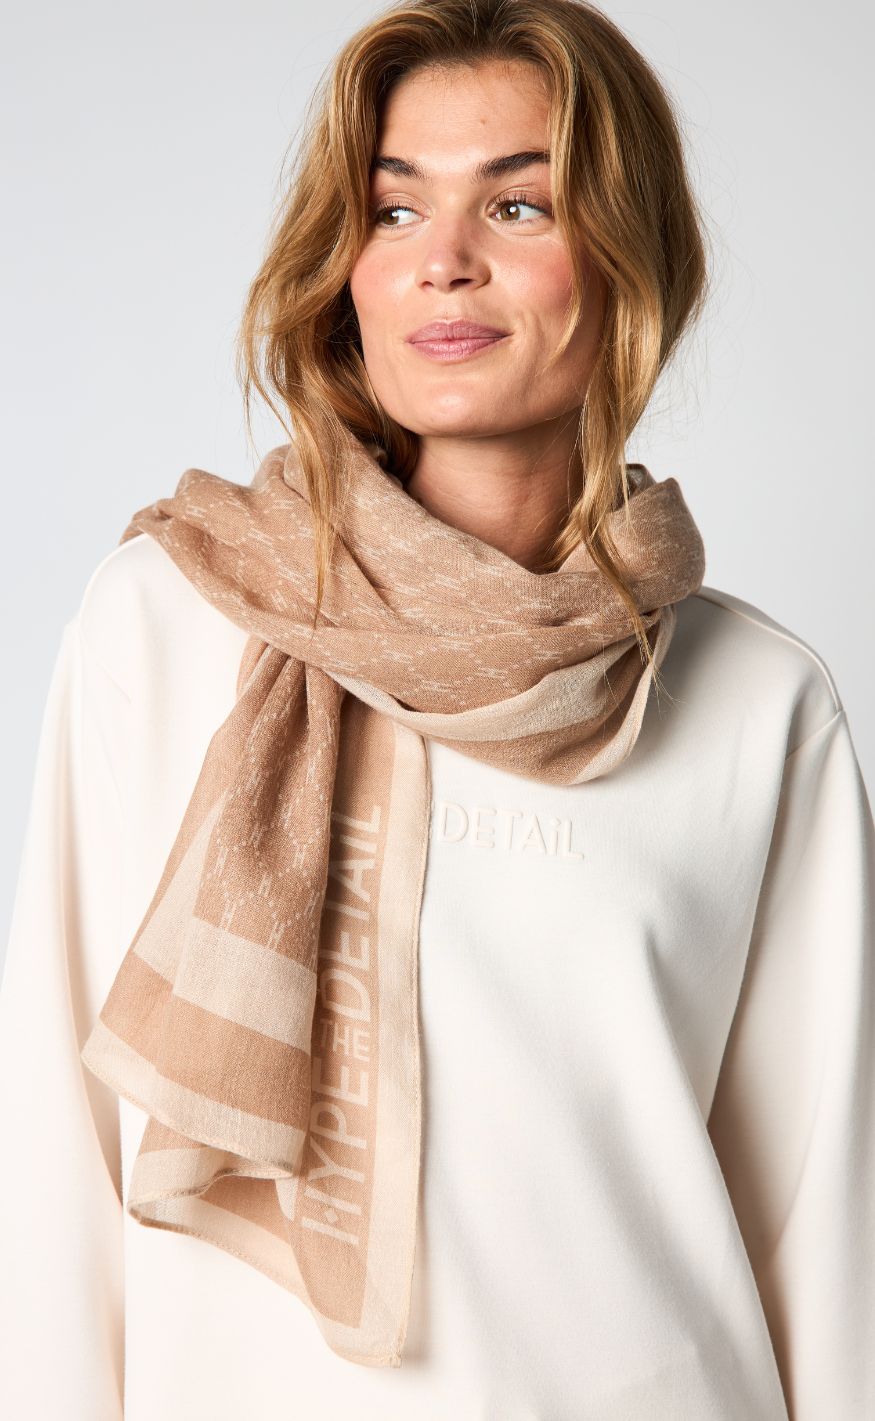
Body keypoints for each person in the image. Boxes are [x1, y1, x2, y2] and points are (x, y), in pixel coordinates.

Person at [1, 0, 872, 1416]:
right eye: (395, 209)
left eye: (518, 204)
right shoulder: (171, 622)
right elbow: (55, 1153)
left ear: (629, 259)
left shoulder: (757, 702)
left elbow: (831, 1236)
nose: (443, 260)